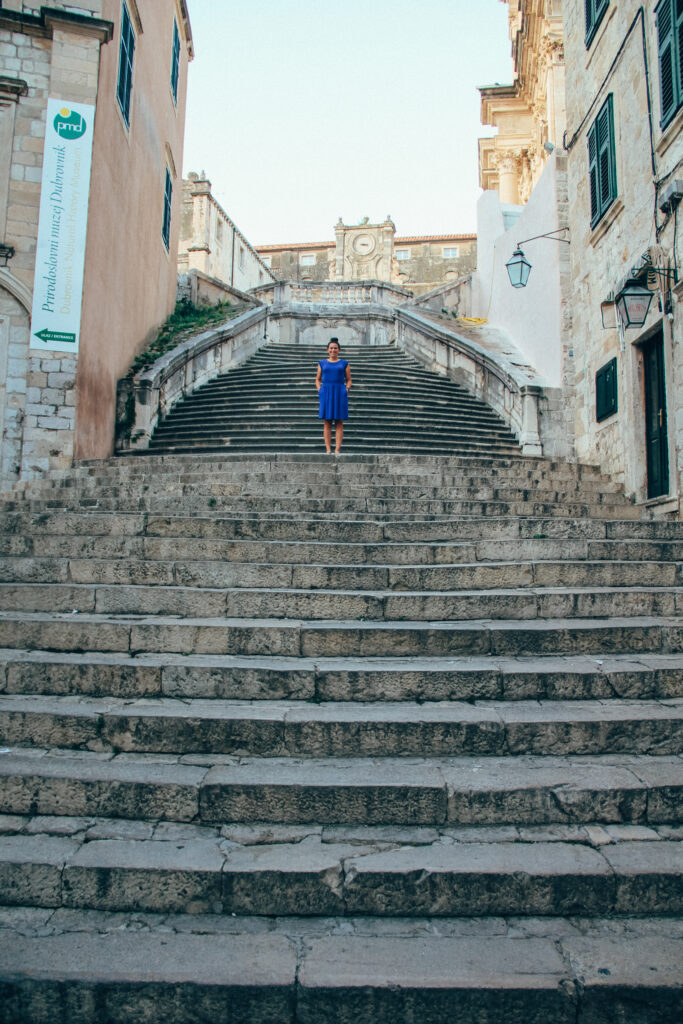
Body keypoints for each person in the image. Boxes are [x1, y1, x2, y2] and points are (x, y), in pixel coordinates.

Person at [316, 338, 351, 454]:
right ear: (327, 350)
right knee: (327, 421)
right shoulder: (322, 363)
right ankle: (328, 449)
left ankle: (337, 449)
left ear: (339, 350)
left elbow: (349, 379)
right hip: (326, 392)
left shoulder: (344, 363)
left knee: (339, 421)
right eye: (331, 348)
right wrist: (320, 390)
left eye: (335, 348)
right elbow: (317, 379)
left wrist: (346, 388)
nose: (333, 350)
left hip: (339, 392)